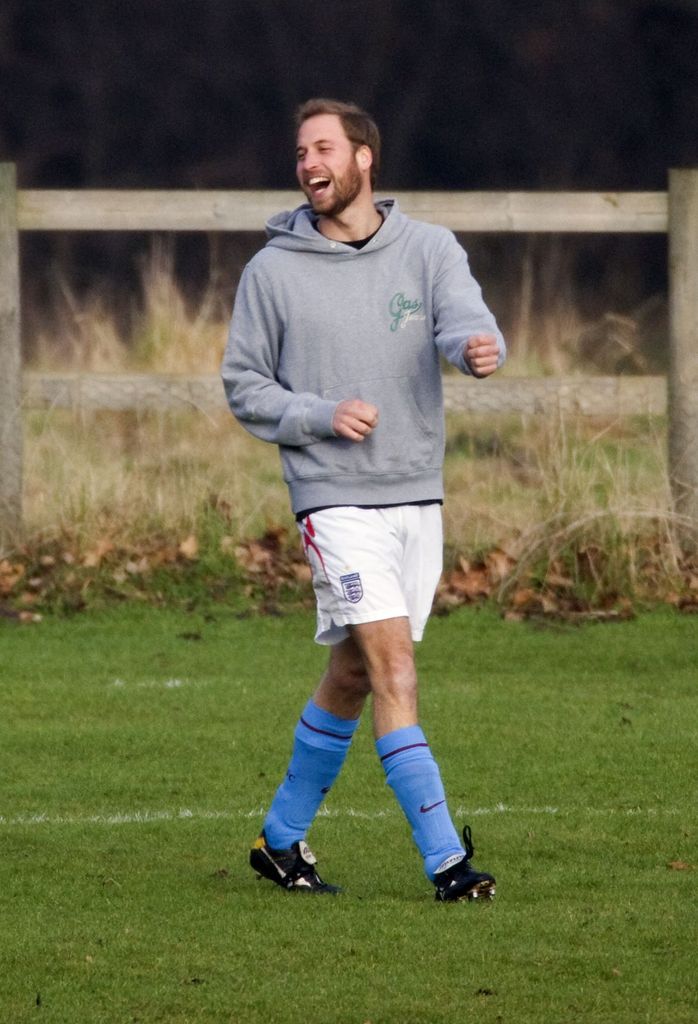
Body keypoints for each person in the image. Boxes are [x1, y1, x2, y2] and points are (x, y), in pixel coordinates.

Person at [222, 97, 505, 902]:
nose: (308, 163)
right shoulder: (271, 271)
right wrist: (317, 413)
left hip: (416, 494)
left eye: (322, 148)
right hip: (332, 499)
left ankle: (279, 842)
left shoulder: (429, 248)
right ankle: (448, 862)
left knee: (351, 673)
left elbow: (464, 322)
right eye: (300, 151)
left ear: (363, 158)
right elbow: (243, 385)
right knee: (394, 670)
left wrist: (478, 348)